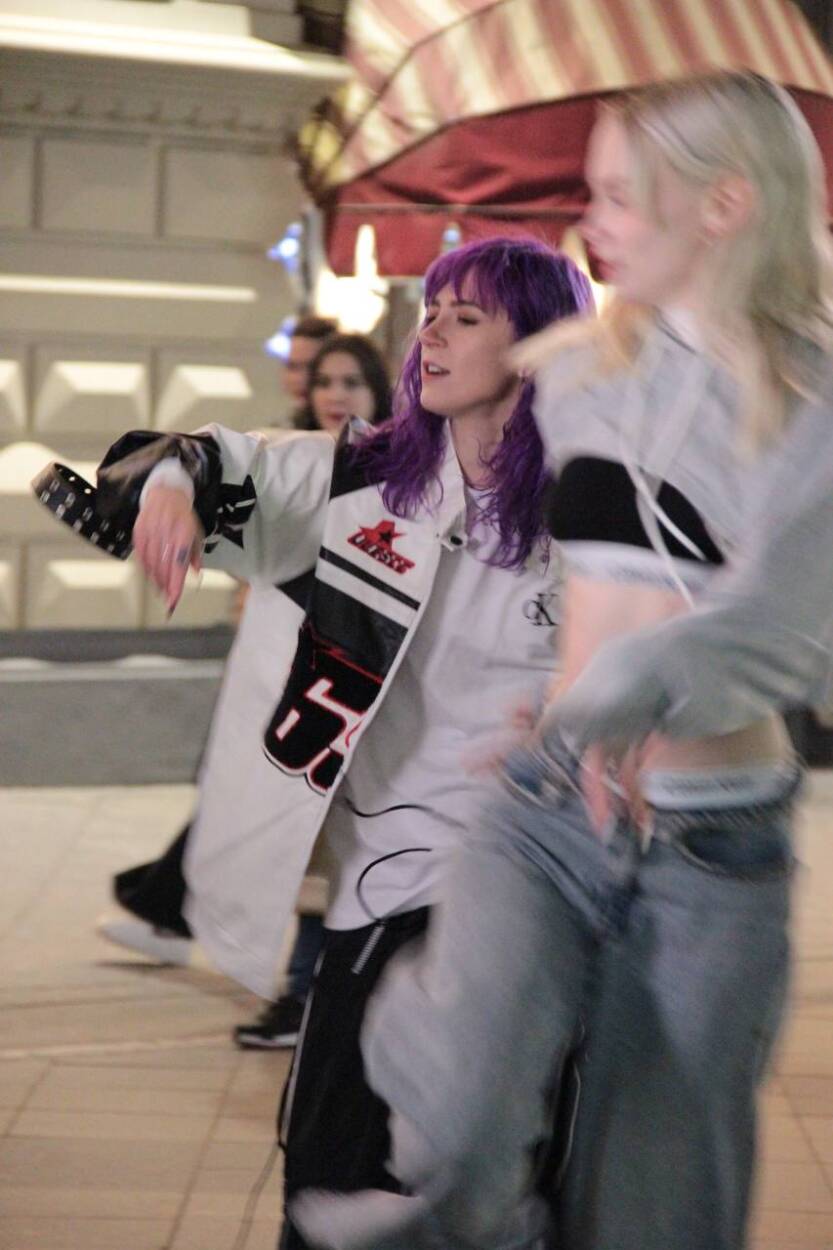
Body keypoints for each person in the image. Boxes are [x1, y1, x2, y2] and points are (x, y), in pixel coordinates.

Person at [286, 71, 833, 1250]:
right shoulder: (578, 372)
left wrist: (623, 691)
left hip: (711, 848)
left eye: (619, 196)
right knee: (461, 1110)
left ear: (725, 204)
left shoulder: (815, 399)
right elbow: (586, 582)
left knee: (657, 1196)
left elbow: (783, 626)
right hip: (541, 806)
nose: (590, 222)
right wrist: (558, 696)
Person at [88, 237, 593, 1248]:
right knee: (326, 1175)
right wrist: (170, 491)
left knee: (507, 1183)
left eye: (466, 317)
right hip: (381, 882)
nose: (430, 333)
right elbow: (182, 456)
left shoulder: (591, 504)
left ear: (538, 344)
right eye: (430, 311)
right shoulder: (361, 476)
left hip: (533, 879)